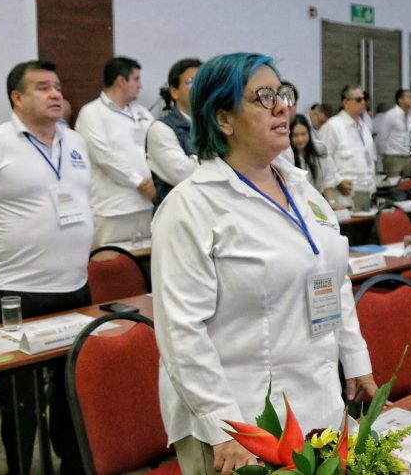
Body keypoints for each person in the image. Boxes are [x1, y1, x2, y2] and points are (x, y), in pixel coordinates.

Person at [151, 53, 376, 475]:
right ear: (224, 119)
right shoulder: (192, 206)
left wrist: (356, 357)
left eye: (283, 94)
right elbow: (181, 331)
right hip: (242, 425)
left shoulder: (301, 189)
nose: (282, 107)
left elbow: (333, 279)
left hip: (317, 405)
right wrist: (224, 428)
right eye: (263, 97)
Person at [0, 60, 93, 474]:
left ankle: (72, 468)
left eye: (58, 86)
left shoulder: (76, 142)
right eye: (43, 87)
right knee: (20, 401)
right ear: (17, 97)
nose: (56, 93)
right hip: (16, 291)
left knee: (73, 392)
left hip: (76, 287)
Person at [75, 56, 155, 244]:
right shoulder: (92, 113)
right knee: (111, 265)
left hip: (147, 205)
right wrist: (140, 182)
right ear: (121, 81)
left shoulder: (142, 112)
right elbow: (103, 157)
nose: (140, 85)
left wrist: (156, 182)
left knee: (144, 266)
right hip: (113, 209)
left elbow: (158, 146)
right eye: (136, 79)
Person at [146, 58, 201, 212]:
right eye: (192, 82)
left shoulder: (217, 126)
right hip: (177, 220)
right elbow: (186, 175)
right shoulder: (161, 129)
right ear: (174, 92)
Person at [318, 85, 377, 208]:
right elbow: (323, 160)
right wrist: (338, 181)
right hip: (344, 197)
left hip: (366, 194)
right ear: (345, 102)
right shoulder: (332, 126)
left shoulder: (365, 128)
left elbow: (370, 160)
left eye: (364, 99)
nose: (363, 102)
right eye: (359, 99)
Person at [290, 113, 336, 199]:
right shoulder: (285, 154)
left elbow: (328, 180)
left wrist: (331, 202)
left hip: (317, 201)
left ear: (309, 133)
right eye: (295, 135)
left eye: (303, 134)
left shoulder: (320, 149)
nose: (300, 139)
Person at [378, 88, 411, 177]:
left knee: (406, 185)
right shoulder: (391, 115)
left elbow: (408, 135)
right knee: (394, 185)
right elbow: (382, 137)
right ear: (400, 100)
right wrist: (386, 156)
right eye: (408, 97)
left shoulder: (410, 116)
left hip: (407, 155)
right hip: (393, 156)